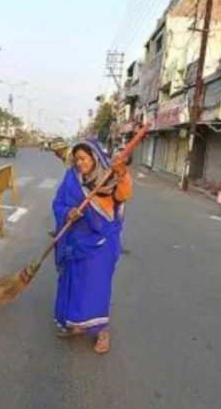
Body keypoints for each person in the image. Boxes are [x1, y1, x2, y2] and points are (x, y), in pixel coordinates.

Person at [52, 139, 132, 354]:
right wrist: (69, 212)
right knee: (74, 285)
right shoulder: (71, 178)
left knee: (96, 288)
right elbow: (58, 203)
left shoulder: (110, 177)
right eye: (76, 159)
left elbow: (123, 195)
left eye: (83, 158)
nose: (79, 163)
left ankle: (102, 332)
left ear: (94, 157)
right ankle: (77, 323)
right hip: (75, 242)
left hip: (101, 243)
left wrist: (122, 174)